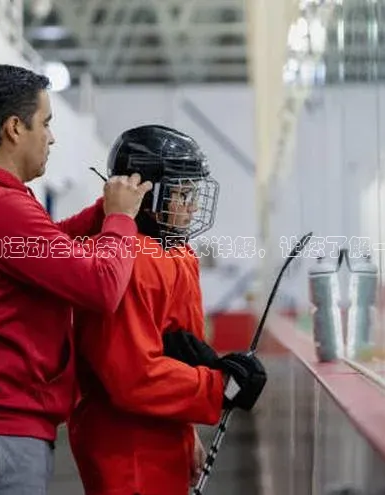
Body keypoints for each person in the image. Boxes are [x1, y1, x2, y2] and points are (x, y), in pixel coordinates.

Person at [0, 63, 152, 495]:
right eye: (45, 123)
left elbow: (43, 247)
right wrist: (120, 220)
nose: (52, 136)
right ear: (14, 128)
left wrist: (101, 213)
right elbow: (102, 288)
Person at [67, 124, 268, 495]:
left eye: (194, 192)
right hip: (127, 448)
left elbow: (177, 351)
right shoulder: (128, 260)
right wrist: (216, 387)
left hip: (163, 436)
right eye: (183, 193)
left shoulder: (179, 254)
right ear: (147, 195)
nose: (193, 206)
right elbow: (132, 377)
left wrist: (187, 427)